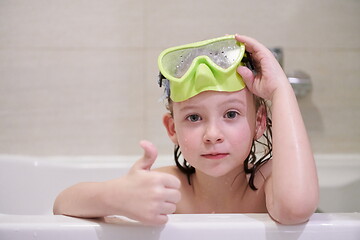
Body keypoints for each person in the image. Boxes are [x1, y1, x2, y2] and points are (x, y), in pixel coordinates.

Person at [53, 34, 319, 226]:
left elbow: (295, 209)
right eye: (194, 117)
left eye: (231, 114)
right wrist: (116, 197)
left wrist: (280, 90)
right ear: (172, 129)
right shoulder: (169, 189)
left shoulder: (268, 182)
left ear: (259, 122)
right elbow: (63, 204)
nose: (212, 134)